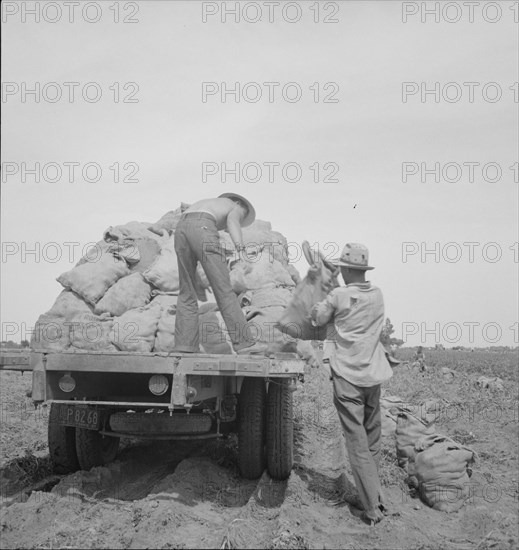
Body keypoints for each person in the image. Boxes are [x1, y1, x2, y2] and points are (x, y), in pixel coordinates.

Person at [310, 243, 393, 525]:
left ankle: (370, 508)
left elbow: (319, 317)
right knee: (372, 439)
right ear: (363, 270)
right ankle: (377, 497)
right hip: (373, 375)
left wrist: (320, 295)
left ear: (346, 269)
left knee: (356, 443)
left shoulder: (338, 295)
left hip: (348, 376)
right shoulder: (378, 295)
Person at [173, 193, 267, 355]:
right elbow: (232, 222)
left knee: (187, 292)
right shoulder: (234, 206)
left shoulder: (207, 202)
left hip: (181, 228)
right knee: (224, 290)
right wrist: (241, 249)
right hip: (203, 227)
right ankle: (245, 344)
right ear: (238, 203)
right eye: (242, 217)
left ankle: (184, 346)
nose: (240, 218)